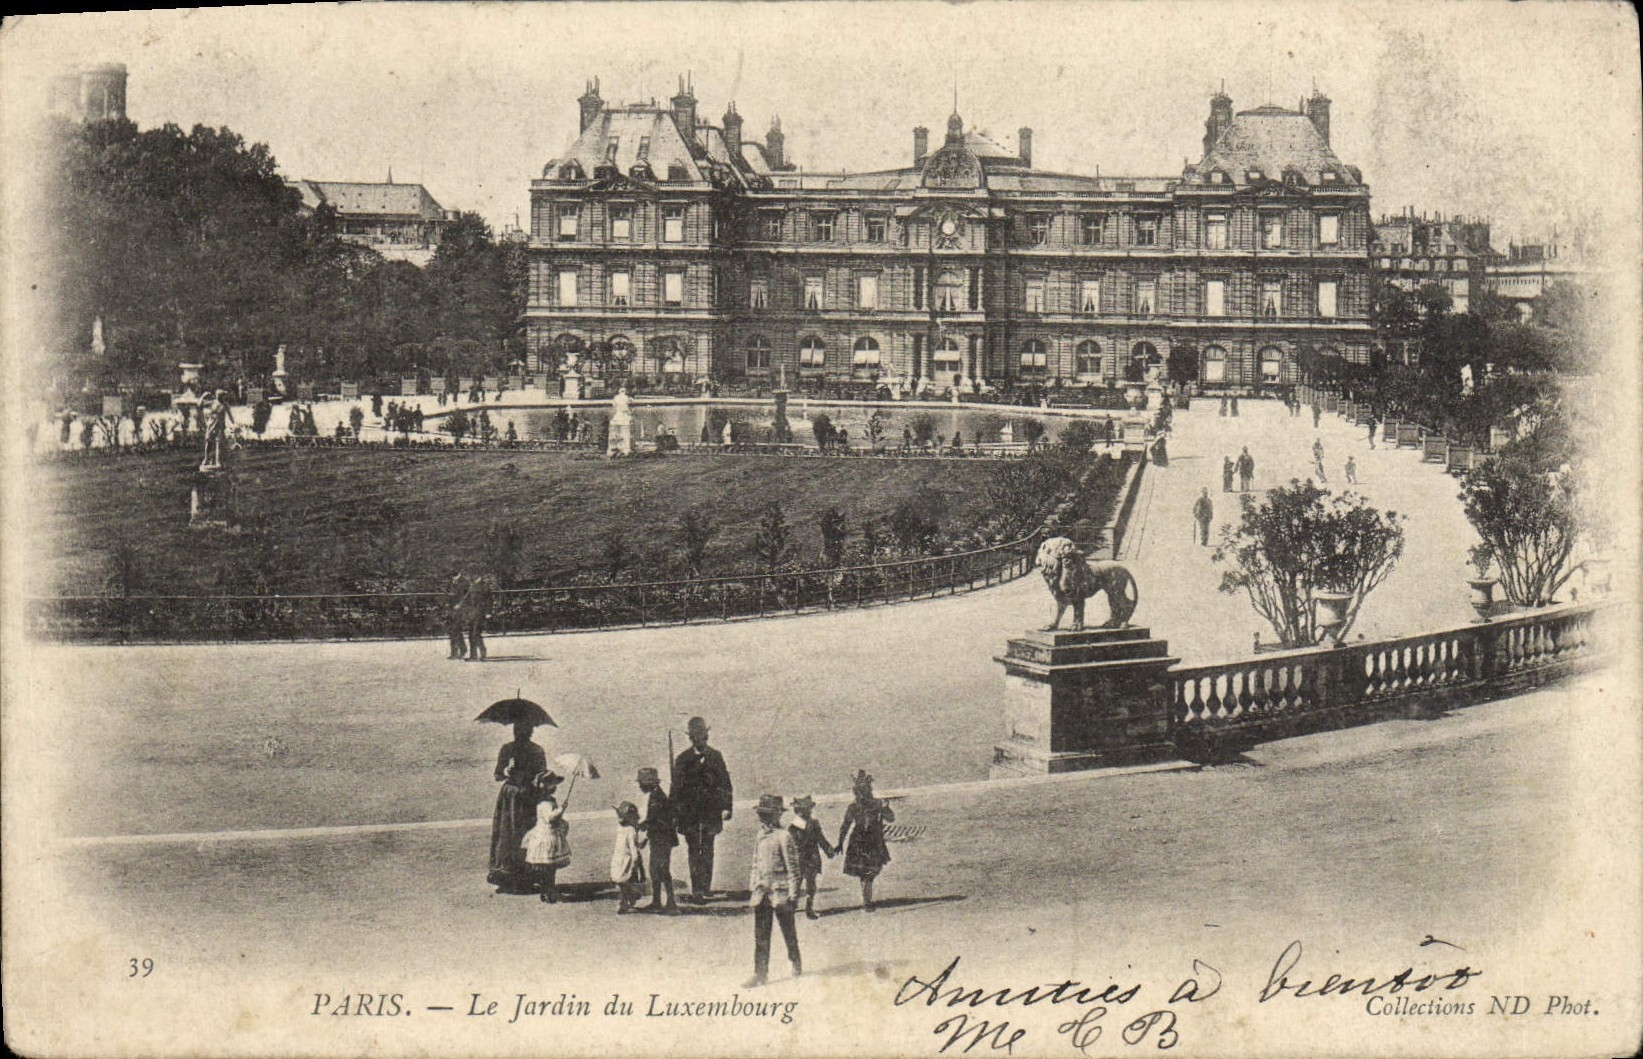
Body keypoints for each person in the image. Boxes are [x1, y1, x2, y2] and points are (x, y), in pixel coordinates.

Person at [672, 716, 732, 902]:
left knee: (707, 849)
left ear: (706, 735)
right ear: (691, 738)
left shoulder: (716, 756)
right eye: (695, 737)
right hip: (689, 815)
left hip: (710, 813)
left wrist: (727, 807)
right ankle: (697, 889)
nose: (699, 739)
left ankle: (705, 887)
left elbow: (725, 783)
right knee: (693, 850)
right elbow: (675, 788)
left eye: (702, 736)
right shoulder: (682, 759)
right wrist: (674, 813)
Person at [746, 794, 802, 988]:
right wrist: (754, 884)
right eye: (761, 814)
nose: (762, 818)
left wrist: (794, 894)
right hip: (762, 893)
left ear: (776, 816)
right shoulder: (759, 835)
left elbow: (793, 869)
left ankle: (795, 959)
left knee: (788, 931)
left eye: (766, 814)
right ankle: (760, 974)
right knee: (761, 935)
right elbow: (755, 862)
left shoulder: (784, 836)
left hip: (781, 894)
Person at [488, 722, 547, 893]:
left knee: (524, 834)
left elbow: (542, 774)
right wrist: (508, 769)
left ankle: (525, 876)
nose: (519, 734)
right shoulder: (507, 750)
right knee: (507, 834)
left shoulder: (536, 750)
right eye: (517, 730)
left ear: (529, 732)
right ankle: (507, 876)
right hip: (512, 798)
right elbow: (498, 774)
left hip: (526, 797)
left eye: (523, 730)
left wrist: (533, 779)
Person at [837, 770, 895, 912]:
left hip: (872, 841)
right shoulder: (855, 807)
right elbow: (845, 825)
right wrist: (839, 842)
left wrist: (885, 809)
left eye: (864, 790)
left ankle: (867, 899)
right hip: (861, 841)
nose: (862, 793)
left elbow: (890, 818)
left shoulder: (877, 804)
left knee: (871, 872)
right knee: (866, 873)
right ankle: (867, 901)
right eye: (859, 790)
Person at [521, 771, 570, 902]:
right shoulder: (545, 803)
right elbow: (549, 818)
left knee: (548, 868)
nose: (555, 787)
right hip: (547, 836)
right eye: (553, 784)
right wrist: (561, 809)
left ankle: (547, 891)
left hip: (545, 834)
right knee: (549, 868)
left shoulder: (546, 801)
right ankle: (548, 891)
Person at [637, 767, 679, 913]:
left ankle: (670, 903)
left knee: (661, 870)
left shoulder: (656, 798)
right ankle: (658, 901)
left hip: (662, 839)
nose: (640, 786)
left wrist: (641, 825)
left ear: (648, 783)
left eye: (641, 783)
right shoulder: (656, 795)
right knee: (655, 870)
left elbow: (655, 820)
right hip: (660, 838)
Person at [788, 795, 836, 920]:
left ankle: (794, 908)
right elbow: (821, 839)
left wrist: (828, 849)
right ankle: (807, 908)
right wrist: (828, 850)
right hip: (810, 858)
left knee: (797, 884)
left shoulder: (792, 827)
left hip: (800, 859)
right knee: (809, 884)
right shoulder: (812, 824)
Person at [610, 801, 647, 915]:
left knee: (623, 883)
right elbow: (634, 847)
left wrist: (635, 860)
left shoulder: (625, 829)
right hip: (622, 859)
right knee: (625, 882)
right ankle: (628, 900)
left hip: (623, 860)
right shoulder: (627, 830)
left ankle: (624, 903)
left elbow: (633, 847)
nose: (619, 818)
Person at [461, 574, 496, 660]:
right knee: (470, 634)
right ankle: (473, 655)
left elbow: (489, 600)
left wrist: (488, 612)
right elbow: (467, 599)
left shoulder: (484, 586)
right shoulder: (471, 586)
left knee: (476, 633)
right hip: (471, 613)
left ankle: (482, 653)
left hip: (480, 612)